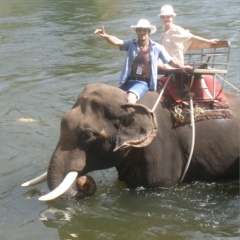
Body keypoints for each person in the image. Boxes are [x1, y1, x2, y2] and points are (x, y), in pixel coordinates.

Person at [94, 19, 191, 104]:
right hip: (128, 81)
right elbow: (117, 41)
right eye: (139, 30)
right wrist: (105, 36)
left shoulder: (157, 48)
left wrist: (181, 67)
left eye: (144, 30)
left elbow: (170, 60)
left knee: (131, 98)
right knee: (111, 98)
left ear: (149, 32)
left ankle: (130, 118)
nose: (142, 32)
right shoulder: (131, 44)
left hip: (142, 83)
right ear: (136, 32)